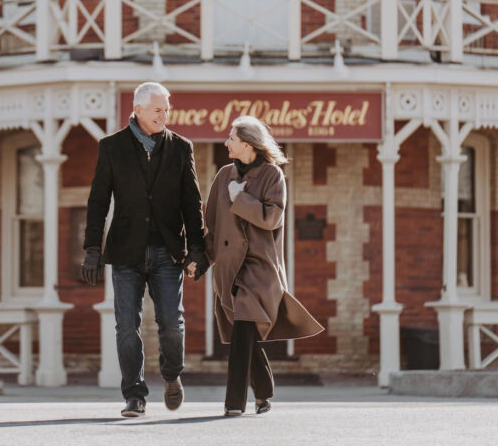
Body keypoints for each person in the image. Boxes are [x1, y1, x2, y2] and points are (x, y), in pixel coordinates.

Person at [81, 82, 208, 418]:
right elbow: (97, 200)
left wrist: (197, 248)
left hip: (168, 251)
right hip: (126, 253)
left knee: (171, 324)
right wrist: (92, 248)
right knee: (126, 326)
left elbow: (192, 202)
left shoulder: (181, 148)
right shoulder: (111, 147)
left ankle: (171, 376)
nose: (164, 116)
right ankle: (134, 395)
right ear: (138, 109)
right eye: (158, 110)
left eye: (167, 109)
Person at [202, 115, 324, 416]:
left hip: (259, 269)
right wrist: (200, 261)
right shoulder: (223, 176)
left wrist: (240, 199)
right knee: (246, 332)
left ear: (247, 142)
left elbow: (272, 218)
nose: (226, 142)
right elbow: (213, 227)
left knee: (243, 329)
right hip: (229, 270)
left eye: (231, 137)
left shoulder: (272, 176)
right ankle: (265, 391)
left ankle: (233, 403)